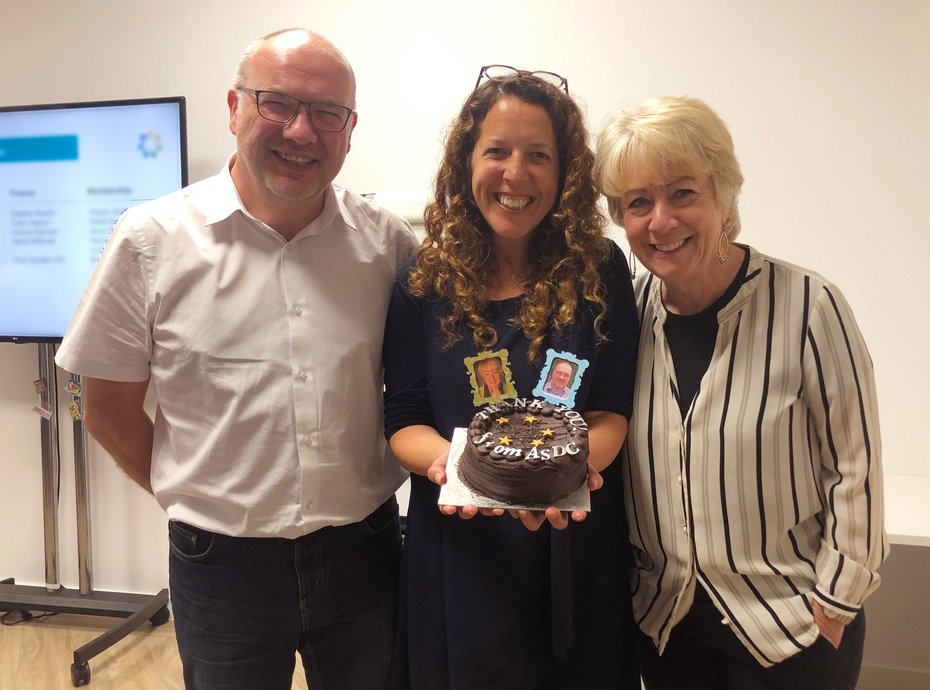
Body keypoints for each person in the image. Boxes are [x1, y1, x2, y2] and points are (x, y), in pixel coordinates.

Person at [56, 29, 418, 689]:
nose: (301, 131)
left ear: (350, 129)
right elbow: (105, 404)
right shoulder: (150, 239)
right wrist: (194, 490)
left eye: (326, 113)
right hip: (220, 566)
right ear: (234, 107)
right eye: (277, 103)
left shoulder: (386, 246)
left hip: (363, 555)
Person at [594, 95, 887, 689]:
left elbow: (855, 465)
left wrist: (835, 601)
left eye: (683, 193)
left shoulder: (809, 305)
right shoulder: (625, 316)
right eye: (637, 203)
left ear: (723, 195)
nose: (661, 221)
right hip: (669, 626)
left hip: (791, 627)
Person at [382, 65, 641, 689]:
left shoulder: (601, 269)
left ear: (566, 173)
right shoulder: (425, 282)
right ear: (465, 162)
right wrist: (470, 474)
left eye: (539, 156)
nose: (515, 174)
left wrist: (555, 480)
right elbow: (403, 421)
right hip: (460, 560)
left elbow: (611, 409)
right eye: (496, 150)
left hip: (576, 549)